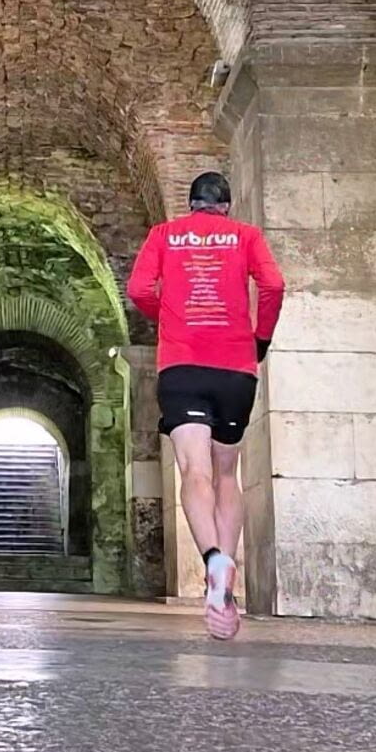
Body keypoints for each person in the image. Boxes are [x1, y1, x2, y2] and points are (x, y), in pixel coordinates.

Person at [127, 171, 284, 639]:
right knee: (225, 473)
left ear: (191, 203)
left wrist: (169, 319)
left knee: (193, 471)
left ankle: (213, 560)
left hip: (183, 366)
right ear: (226, 207)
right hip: (235, 367)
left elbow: (138, 290)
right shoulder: (245, 236)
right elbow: (273, 287)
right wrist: (261, 337)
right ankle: (228, 575)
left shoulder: (164, 235)